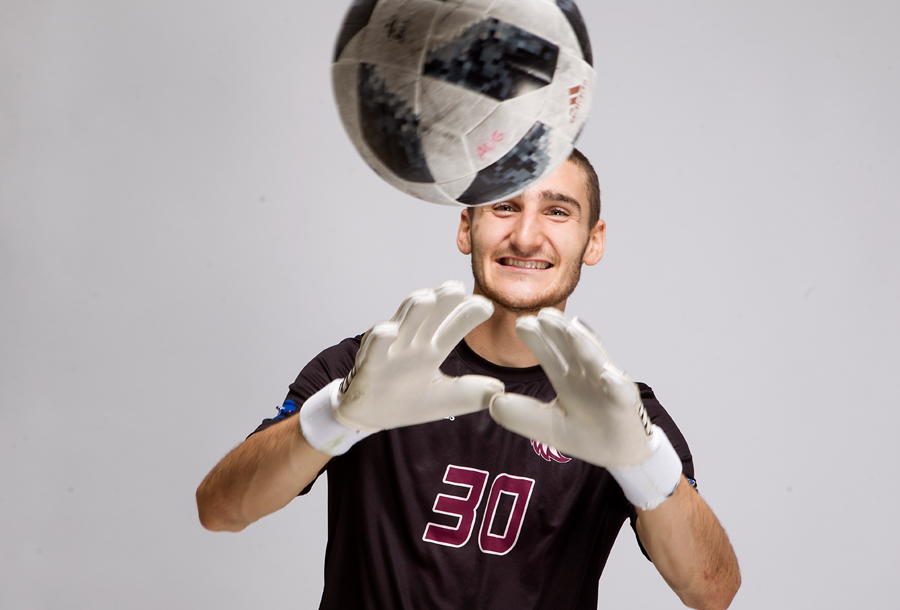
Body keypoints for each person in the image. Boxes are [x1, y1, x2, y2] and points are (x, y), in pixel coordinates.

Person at [196, 150, 741, 610]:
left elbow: (713, 591)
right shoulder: (370, 366)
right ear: (466, 226)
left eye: (557, 211)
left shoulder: (620, 412)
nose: (526, 235)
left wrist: (643, 463)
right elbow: (219, 510)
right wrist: (337, 415)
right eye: (505, 206)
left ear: (592, 241)